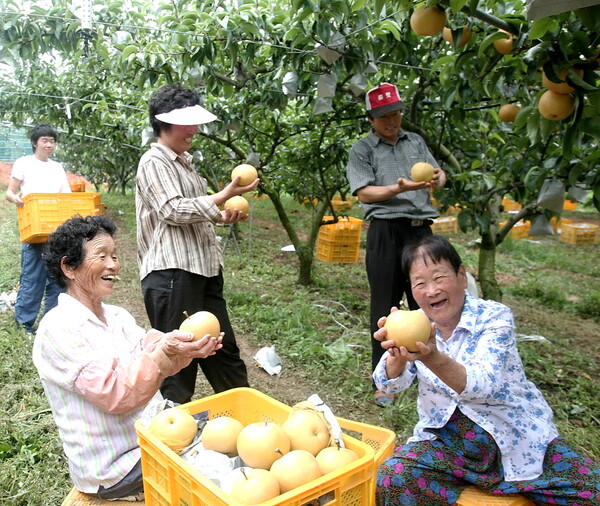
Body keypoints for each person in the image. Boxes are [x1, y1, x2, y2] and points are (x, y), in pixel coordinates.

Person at [373, 234, 600, 505]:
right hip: (448, 444)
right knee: (394, 475)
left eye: (439, 278)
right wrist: (396, 354)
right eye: (420, 283)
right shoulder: (417, 324)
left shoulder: (494, 318)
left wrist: (431, 357)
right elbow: (388, 385)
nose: (431, 291)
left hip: (515, 439)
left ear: (461, 275)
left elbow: (482, 385)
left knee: (593, 491)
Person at [32, 215, 223, 500]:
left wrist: (186, 349)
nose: (113, 265)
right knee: (220, 474)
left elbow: (153, 353)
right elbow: (117, 395)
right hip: (117, 465)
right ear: (69, 267)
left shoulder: (116, 316)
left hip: (151, 436)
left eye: (115, 255)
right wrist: (165, 352)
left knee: (223, 435)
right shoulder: (58, 329)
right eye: (102, 256)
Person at [136, 83, 259, 405]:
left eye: (195, 122)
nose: (194, 130)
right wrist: (222, 196)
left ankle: (244, 415)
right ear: (163, 124)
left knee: (223, 351)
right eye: (186, 123)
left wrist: (222, 215)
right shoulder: (154, 162)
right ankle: (172, 435)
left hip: (203, 269)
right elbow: (172, 209)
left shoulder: (185, 163)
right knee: (177, 362)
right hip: (172, 272)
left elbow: (196, 209)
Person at [346, 83, 447, 406]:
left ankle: (431, 373)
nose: (391, 120)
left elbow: (437, 173)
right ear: (371, 119)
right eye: (383, 116)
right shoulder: (363, 150)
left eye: (395, 114)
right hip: (387, 231)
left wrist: (437, 178)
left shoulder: (415, 142)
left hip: (421, 232)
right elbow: (364, 193)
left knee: (428, 303)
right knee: (385, 305)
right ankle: (385, 381)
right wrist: (397, 188)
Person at [5, 124, 71, 333]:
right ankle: (24, 324)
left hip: (55, 229)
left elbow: (65, 197)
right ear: (35, 142)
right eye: (44, 140)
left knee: (57, 280)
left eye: (52, 141)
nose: (49, 144)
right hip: (34, 228)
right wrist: (16, 200)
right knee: (32, 278)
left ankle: (50, 324)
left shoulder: (57, 167)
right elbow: (10, 192)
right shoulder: (24, 163)